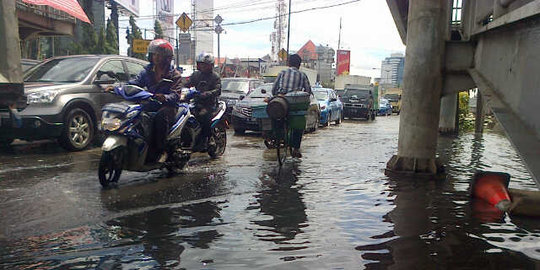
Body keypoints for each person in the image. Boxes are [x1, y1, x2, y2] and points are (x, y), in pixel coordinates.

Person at [107, 39, 182, 163]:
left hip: (168, 107)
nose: (156, 58)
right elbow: (133, 83)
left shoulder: (174, 75)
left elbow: (175, 95)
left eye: (159, 55)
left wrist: (164, 97)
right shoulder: (146, 72)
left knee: (160, 117)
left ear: (167, 58)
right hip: (151, 103)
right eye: (154, 54)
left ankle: (160, 151)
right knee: (134, 114)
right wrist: (116, 87)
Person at [271, 54, 312, 158]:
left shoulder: (282, 73)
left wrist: (276, 95)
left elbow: (274, 89)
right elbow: (308, 91)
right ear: (299, 65)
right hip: (295, 104)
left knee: (275, 116)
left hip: (281, 102)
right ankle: (296, 148)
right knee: (299, 126)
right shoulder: (302, 75)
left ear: (288, 63)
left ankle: (276, 138)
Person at [182, 52, 221, 151]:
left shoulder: (215, 77)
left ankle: (206, 139)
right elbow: (187, 83)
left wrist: (207, 94)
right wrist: (180, 88)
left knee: (203, 116)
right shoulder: (195, 75)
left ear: (211, 65)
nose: (202, 66)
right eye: (201, 64)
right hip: (195, 102)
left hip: (209, 104)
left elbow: (218, 90)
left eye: (205, 64)